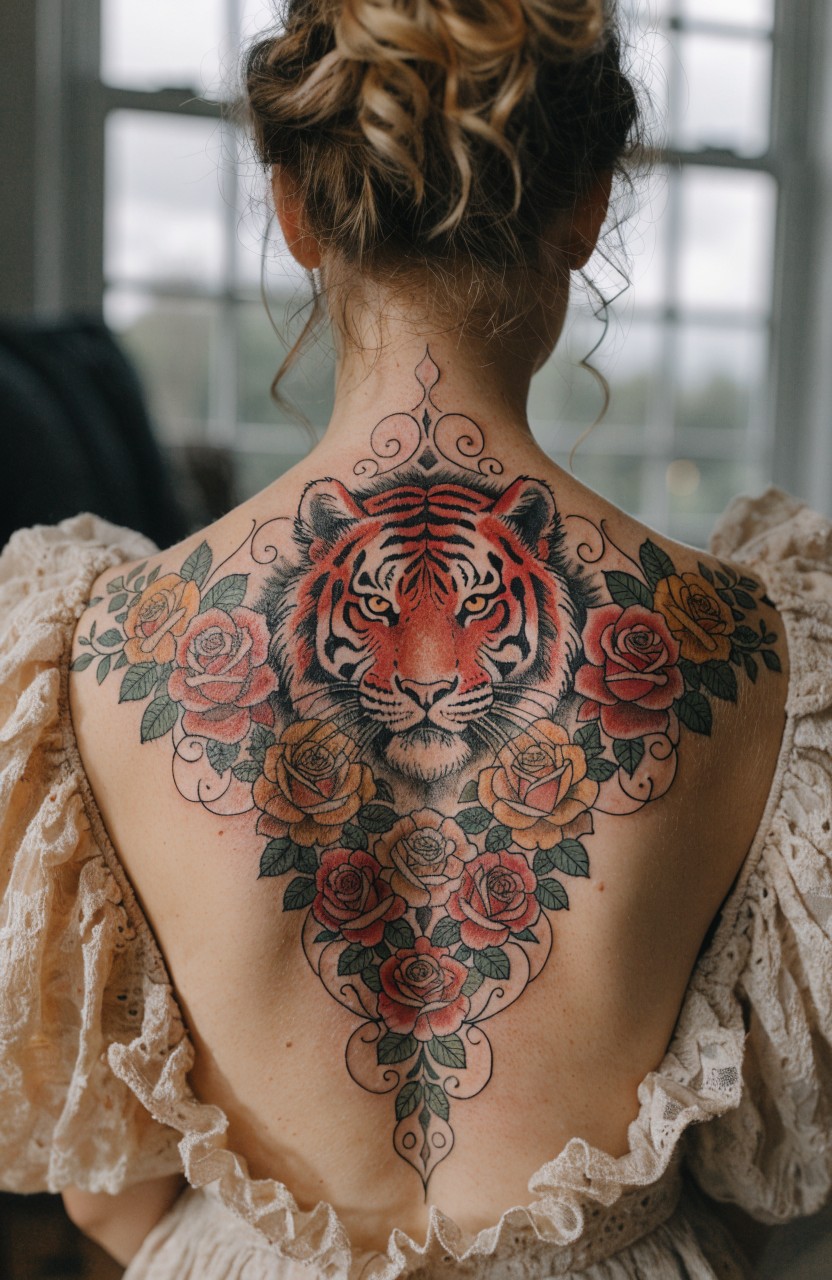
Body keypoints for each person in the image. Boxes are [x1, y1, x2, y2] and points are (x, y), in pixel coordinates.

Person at [1, 1, 830, 1277]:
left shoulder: (91, 646)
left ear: (292, 211)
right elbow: (767, 1166)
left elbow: (102, 1178)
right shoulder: (762, 647)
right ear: (587, 209)